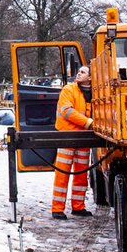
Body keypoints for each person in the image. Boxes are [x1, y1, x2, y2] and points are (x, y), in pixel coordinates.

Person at [51, 65, 94, 220]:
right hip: (67, 136)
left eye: (83, 72)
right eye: (79, 71)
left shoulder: (94, 93)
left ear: (90, 77)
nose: (79, 73)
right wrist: (89, 123)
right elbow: (67, 111)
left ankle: (78, 206)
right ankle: (57, 209)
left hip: (83, 137)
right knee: (62, 173)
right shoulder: (69, 89)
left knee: (81, 174)